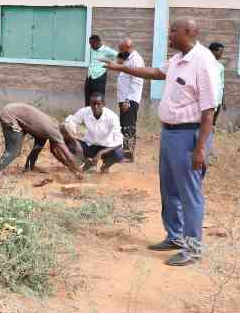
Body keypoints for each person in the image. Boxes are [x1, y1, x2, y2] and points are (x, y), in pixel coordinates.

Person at [103, 19, 218, 267]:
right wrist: (120, 69)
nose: (169, 36)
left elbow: (209, 111)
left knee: (190, 194)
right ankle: (175, 237)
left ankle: (193, 250)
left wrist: (199, 149)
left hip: (190, 136)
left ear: (188, 32)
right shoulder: (177, 60)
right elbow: (156, 72)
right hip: (169, 134)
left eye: (173, 32)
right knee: (169, 191)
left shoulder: (203, 61)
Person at [0, 103, 82, 182]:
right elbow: (68, 156)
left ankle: (29, 166)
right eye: (69, 138)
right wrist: (79, 171)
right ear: (65, 134)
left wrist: (71, 168)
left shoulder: (53, 129)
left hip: (13, 112)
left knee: (41, 140)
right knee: (14, 151)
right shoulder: (55, 132)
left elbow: (54, 152)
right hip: (10, 116)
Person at [62, 93, 126, 173]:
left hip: (105, 147)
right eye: (93, 104)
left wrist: (100, 153)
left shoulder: (112, 117)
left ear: (103, 104)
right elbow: (68, 123)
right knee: (67, 142)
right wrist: (76, 142)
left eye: (98, 104)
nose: (95, 107)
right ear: (90, 104)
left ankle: (105, 167)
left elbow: (119, 141)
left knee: (119, 154)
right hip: (89, 145)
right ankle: (87, 162)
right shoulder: (85, 111)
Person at [116, 38, 145, 158]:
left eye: (122, 50)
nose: (120, 52)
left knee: (129, 125)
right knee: (124, 125)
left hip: (130, 99)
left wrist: (127, 100)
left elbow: (136, 81)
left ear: (128, 48)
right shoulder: (128, 59)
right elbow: (118, 61)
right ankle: (125, 152)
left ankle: (128, 154)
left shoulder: (136, 60)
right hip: (124, 98)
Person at [85, 35, 118, 107]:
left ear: (98, 42)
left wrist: (110, 62)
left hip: (99, 77)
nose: (91, 46)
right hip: (89, 76)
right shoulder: (92, 49)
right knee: (88, 99)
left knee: (98, 99)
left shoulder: (106, 50)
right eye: (90, 44)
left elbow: (119, 56)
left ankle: (99, 116)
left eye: (92, 44)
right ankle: (87, 115)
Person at [209, 42, 225, 126]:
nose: (221, 55)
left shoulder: (220, 67)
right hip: (209, 98)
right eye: (220, 52)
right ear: (212, 51)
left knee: (213, 123)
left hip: (218, 98)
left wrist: (223, 101)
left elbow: (222, 85)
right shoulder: (205, 64)